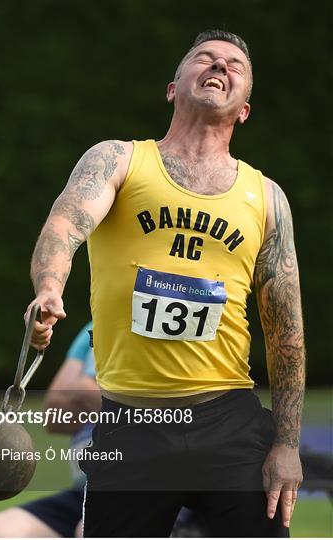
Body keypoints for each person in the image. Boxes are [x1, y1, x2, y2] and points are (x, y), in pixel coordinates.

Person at [25, 29, 305, 537]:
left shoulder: (266, 199)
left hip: (229, 420)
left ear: (244, 109)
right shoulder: (119, 160)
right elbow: (65, 225)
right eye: (205, 58)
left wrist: (286, 445)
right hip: (132, 424)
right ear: (174, 87)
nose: (219, 66)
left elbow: (286, 331)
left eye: (234, 65)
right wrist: (49, 287)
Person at [0, 321, 99, 538]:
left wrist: (86, 392)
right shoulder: (94, 325)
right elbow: (55, 415)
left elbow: (84, 391)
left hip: (136, 486)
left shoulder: (152, 317)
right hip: (84, 489)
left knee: (90, 530)